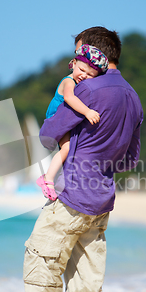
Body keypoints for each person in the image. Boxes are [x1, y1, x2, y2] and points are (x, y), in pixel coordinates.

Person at [0, 26, 143, 292]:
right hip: (102, 196)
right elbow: (130, 159)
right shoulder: (133, 97)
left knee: (42, 258)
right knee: (89, 272)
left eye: (80, 54)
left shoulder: (88, 89)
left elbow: (49, 132)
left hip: (73, 193)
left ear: (95, 55)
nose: (76, 65)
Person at [36, 44, 109, 201]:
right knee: (67, 148)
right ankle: (47, 179)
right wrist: (87, 112)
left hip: (64, 121)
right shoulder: (68, 81)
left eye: (90, 74)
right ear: (74, 63)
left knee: (69, 149)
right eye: (82, 70)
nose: (83, 75)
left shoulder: (79, 83)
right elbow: (69, 98)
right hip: (56, 119)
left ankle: (55, 180)